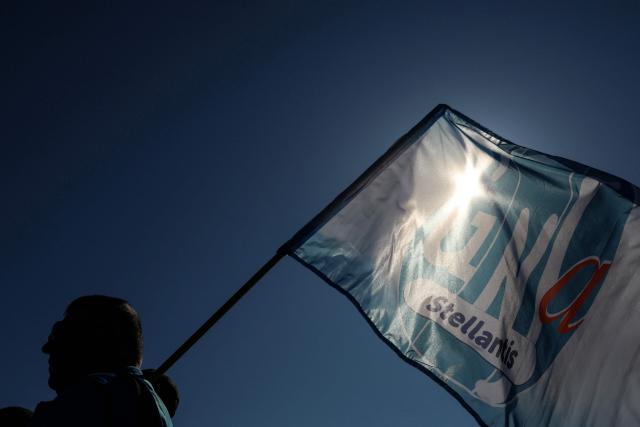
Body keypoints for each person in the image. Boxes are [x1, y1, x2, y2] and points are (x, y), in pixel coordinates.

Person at [29, 295, 176, 426]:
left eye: (59, 333)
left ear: (105, 339)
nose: (47, 347)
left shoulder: (87, 401)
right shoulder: (138, 400)